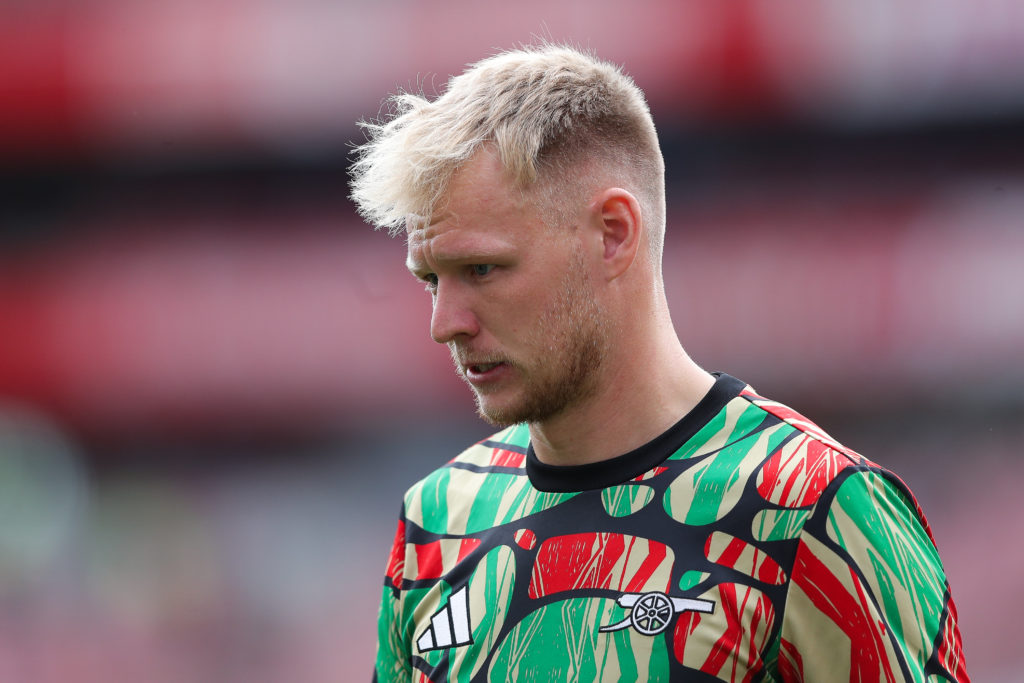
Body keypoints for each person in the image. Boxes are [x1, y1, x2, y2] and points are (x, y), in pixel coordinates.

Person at [350, 44, 968, 682]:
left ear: (614, 232)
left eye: (482, 269)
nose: (444, 323)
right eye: (431, 279)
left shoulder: (816, 507)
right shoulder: (436, 518)